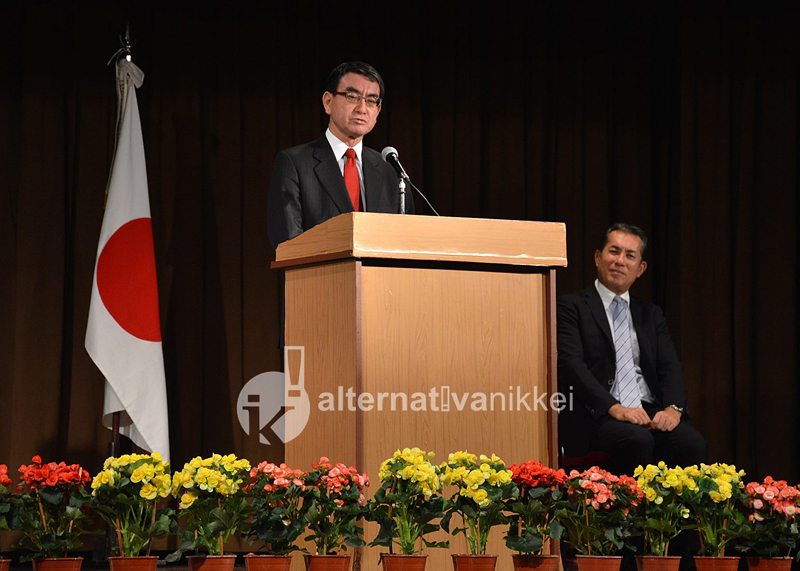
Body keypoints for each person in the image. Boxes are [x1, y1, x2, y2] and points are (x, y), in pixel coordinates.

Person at [557, 223, 707, 476]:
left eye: (630, 255)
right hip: (597, 413)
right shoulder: (570, 307)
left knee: (693, 444)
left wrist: (673, 408)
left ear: (640, 269)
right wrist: (615, 408)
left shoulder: (650, 314)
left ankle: (678, 517)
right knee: (637, 440)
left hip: (645, 410)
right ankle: (626, 515)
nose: (620, 261)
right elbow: (571, 365)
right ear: (597, 257)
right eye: (613, 252)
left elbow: (670, 366)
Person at [267, 61, 413, 251]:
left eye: (371, 101)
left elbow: (406, 242)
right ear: (328, 102)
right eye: (352, 97)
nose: (362, 108)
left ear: (378, 111)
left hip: (379, 279)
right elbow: (287, 243)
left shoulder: (390, 170)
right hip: (320, 278)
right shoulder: (294, 163)